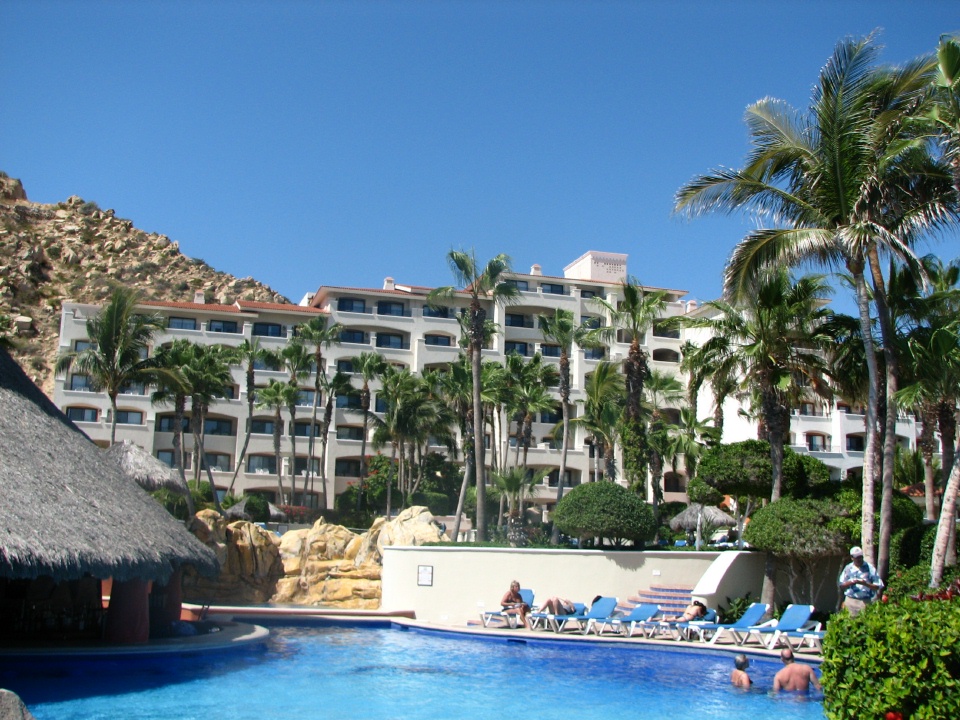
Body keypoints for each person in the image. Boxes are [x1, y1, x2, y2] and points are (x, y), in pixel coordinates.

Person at [838, 545, 883, 617]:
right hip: (851, 601)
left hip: (865, 602)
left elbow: (878, 586)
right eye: (856, 558)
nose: (859, 559)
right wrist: (852, 582)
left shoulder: (869, 568)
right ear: (852, 558)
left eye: (860, 557)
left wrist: (865, 584)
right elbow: (841, 585)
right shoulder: (848, 568)